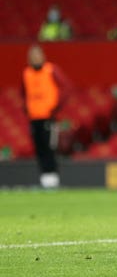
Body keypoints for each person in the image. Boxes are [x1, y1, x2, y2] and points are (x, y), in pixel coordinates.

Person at [21, 44, 71, 189]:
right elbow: (23, 93)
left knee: (50, 147)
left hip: (48, 117)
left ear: (43, 56)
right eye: (31, 56)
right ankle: (44, 178)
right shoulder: (26, 73)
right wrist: (27, 108)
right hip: (34, 117)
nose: (34, 58)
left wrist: (55, 107)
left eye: (37, 55)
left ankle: (53, 178)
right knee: (39, 147)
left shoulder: (51, 70)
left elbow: (66, 88)